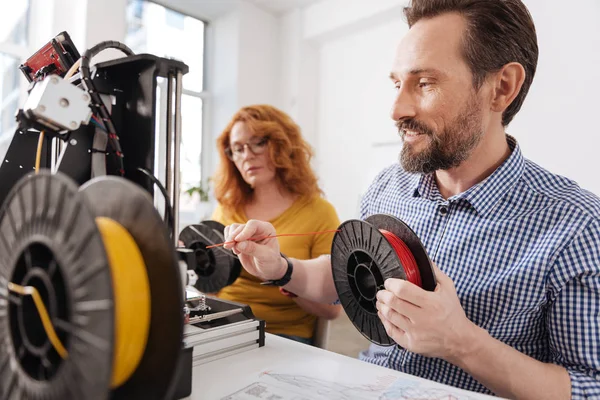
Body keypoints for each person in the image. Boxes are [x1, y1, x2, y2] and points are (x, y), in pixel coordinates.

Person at [220, 1, 600, 398]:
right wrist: (280, 266)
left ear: (501, 87)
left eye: (425, 83)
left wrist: (462, 342)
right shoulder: (388, 187)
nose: (396, 109)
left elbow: (590, 389)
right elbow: (344, 280)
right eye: (397, 84)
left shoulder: (577, 224)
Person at [210, 104, 342, 345]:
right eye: (237, 149)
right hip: (223, 325)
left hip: (281, 335)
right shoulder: (226, 209)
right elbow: (212, 289)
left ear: (283, 144)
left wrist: (282, 273)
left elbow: (332, 309)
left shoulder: (320, 213)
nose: (247, 155)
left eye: (258, 142)